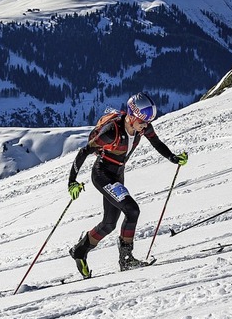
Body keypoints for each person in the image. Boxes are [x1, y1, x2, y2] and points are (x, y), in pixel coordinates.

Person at [67, 92, 188, 278]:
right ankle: (126, 259)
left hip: (117, 174)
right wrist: (72, 182)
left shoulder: (142, 128)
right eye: (142, 120)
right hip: (102, 174)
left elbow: (156, 142)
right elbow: (84, 151)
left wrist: (172, 157)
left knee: (109, 224)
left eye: (149, 120)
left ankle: (80, 251)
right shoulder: (111, 132)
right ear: (131, 116)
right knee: (132, 210)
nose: (146, 124)